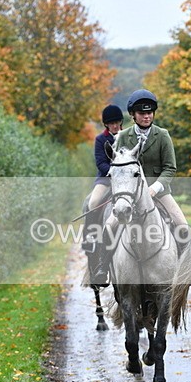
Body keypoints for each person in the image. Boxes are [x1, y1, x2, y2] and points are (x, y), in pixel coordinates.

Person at [110, 89, 189, 243]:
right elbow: (117, 166)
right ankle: (103, 265)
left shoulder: (162, 135)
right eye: (141, 113)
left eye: (150, 112)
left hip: (158, 192)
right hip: (129, 193)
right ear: (133, 115)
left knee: (183, 227)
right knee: (108, 227)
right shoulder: (123, 136)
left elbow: (170, 168)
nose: (147, 116)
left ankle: (183, 266)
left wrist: (155, 188)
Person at [83, 104, 124, 286]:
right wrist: (114, 172)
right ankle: (91, 237)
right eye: (111, 123)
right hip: (106, 179)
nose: (115, 126)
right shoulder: (101, 139)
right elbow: (100, 162)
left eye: (117, 122)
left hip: (126, 180)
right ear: (106, 125)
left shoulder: (128, 136)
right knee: (93, 202)